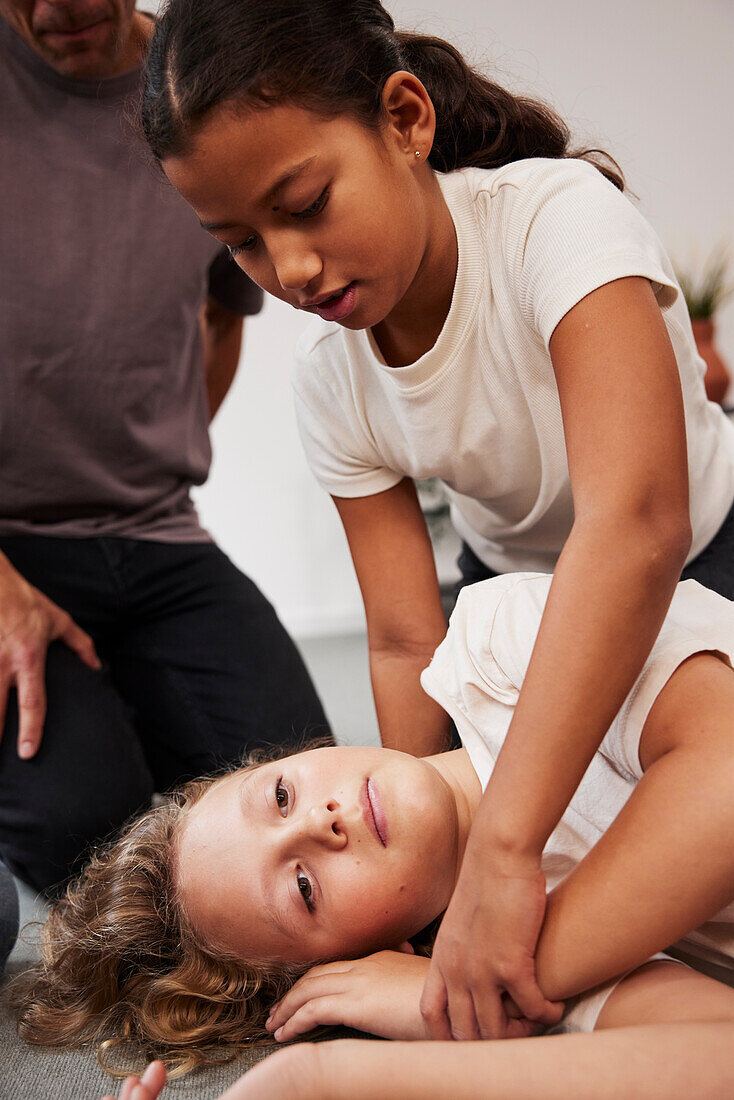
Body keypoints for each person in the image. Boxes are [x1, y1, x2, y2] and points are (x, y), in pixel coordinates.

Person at [135, 0, 734, 1042]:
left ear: (404, 120)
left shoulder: (554, 218)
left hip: (695, 543)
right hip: (511, 587)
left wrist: (503, 854)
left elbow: (632, 526)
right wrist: (427, 916)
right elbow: (405, 635)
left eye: (306, 203)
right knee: (513, 854)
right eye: (240, 244)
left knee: (595, 831)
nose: (292, 272)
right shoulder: (335, 385)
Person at [13, 572, 734, 1100]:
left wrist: (488, 985)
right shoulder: (513, 940)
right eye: (303, 888)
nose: (319, 824)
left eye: (281, 795)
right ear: (371, 959)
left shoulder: (499, 652)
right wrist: (328, 1075)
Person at [0, 0, 330, 897]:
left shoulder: (198, 84)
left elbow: (227, 308)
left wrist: (151, 448)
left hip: (156, 533)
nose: (60, 8)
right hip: (6, 557)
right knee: (90, 843)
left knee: (301, 783)